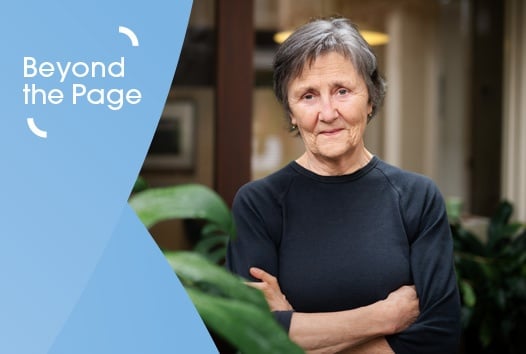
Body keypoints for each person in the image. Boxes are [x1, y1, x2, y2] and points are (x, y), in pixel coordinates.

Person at [226, 17, 461, 353]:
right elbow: (249, 337)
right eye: (308, 95)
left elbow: (440, 338)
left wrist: (292, 327)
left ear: (370, 99)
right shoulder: (258, 204)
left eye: (342, 91)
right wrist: (386, 316)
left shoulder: (417, 198)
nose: (327, 112)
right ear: (291, 111)